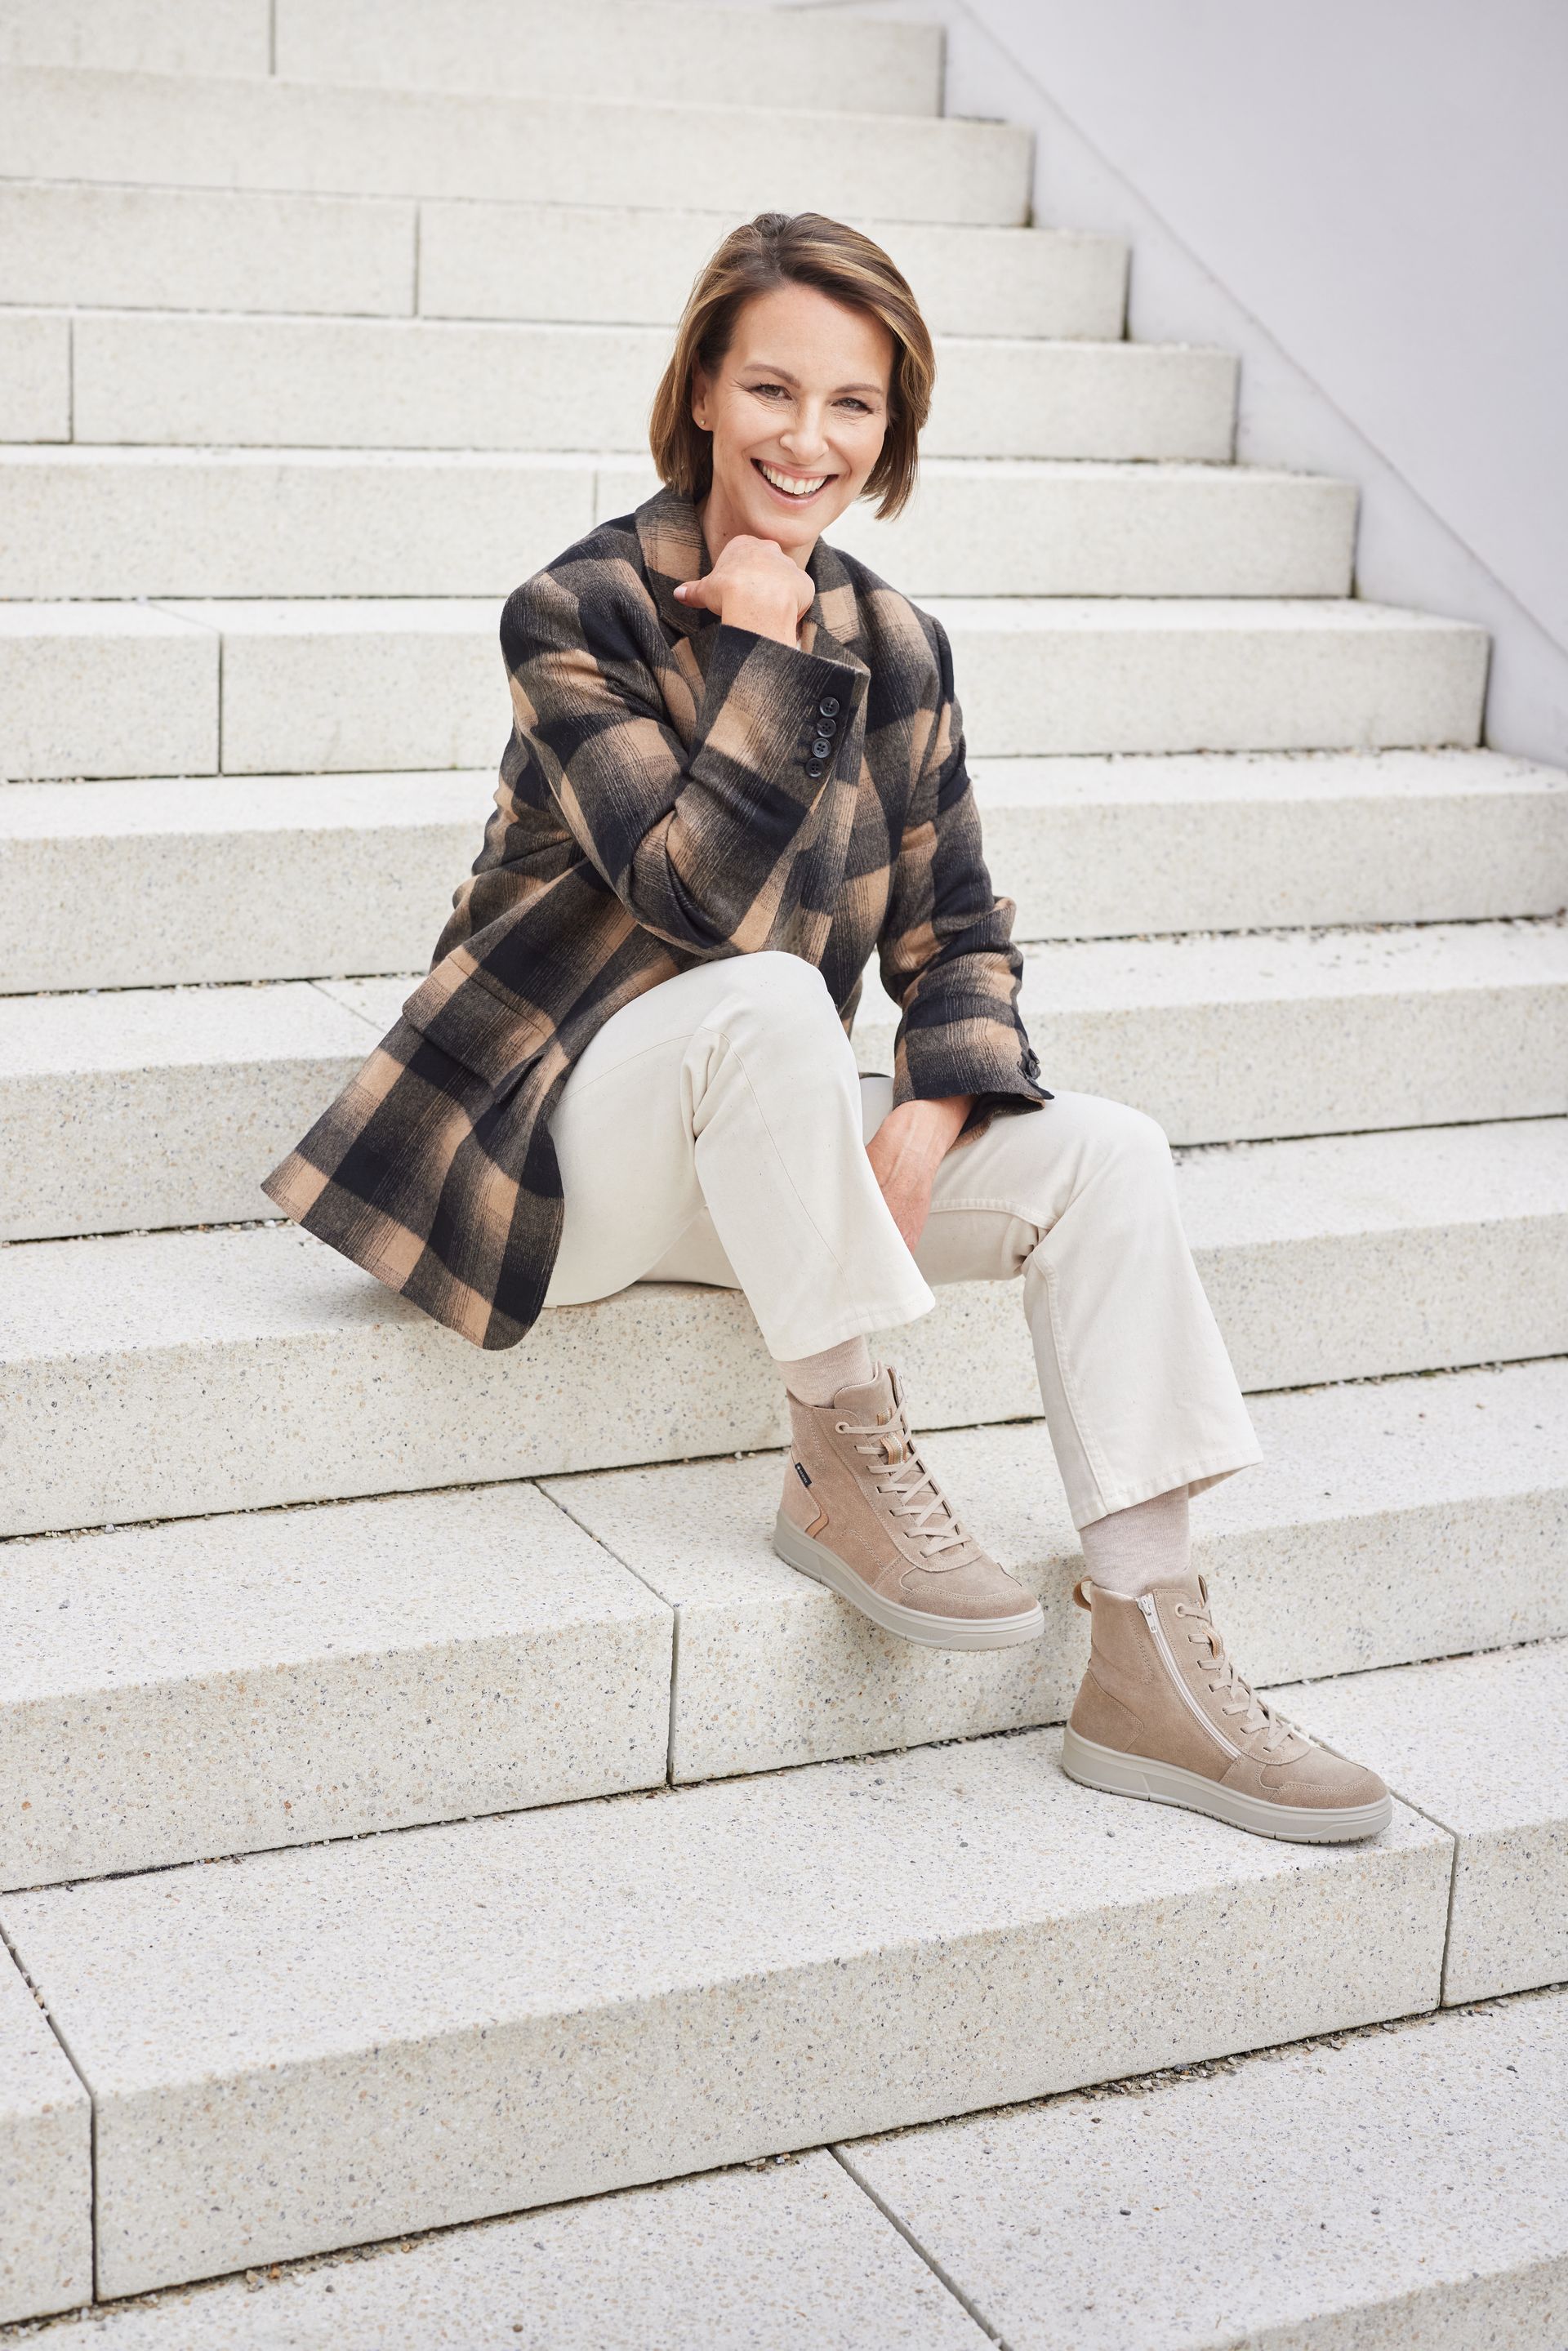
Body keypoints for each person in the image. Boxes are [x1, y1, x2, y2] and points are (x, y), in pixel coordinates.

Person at [264, 212, 1389, 1846]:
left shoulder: (906, 647)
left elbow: (964, 934)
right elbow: (693, 894)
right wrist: (766, 648)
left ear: (893, 426)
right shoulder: (575, 614)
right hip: (559, 1147)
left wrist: (932, 1111)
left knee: (1112, 1158)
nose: (811, 439)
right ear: (705, 391)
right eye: (773, 390)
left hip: (763, 1146)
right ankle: (842, 1456)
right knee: (772, 994)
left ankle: (1152, 1651)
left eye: (853, 405)